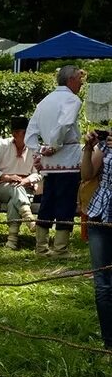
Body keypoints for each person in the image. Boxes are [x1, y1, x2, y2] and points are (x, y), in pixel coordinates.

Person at [27, 65, 86, 256]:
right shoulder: (72, 99)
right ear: (70, 80)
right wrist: (54, 145)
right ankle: (60, 248)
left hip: (49, 162)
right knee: (66, 201)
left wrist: (39, 150)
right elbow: (65, 124)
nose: (81, 83)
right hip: (67, 157)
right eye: (79, 79)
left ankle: (41, 246)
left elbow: (31, 133)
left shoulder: (45, 101)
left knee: (48, 200)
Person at [0, 115, 41, 249]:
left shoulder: (34, 148)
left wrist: (27, 180)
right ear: (15, 133)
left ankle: (12, 240)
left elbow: (38, 173)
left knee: (14, 200)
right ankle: (28, 217)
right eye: (25, 132)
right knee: (15, 188)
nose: (29, 135)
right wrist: (6, 177)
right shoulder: (2, 145)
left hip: (26, 186)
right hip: (4, 185)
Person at [82, 129, 112, 347]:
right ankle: (109, 342)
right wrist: (88, 148)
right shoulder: (106, 144)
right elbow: (87, 174)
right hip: (99, 213)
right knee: (102, 283)